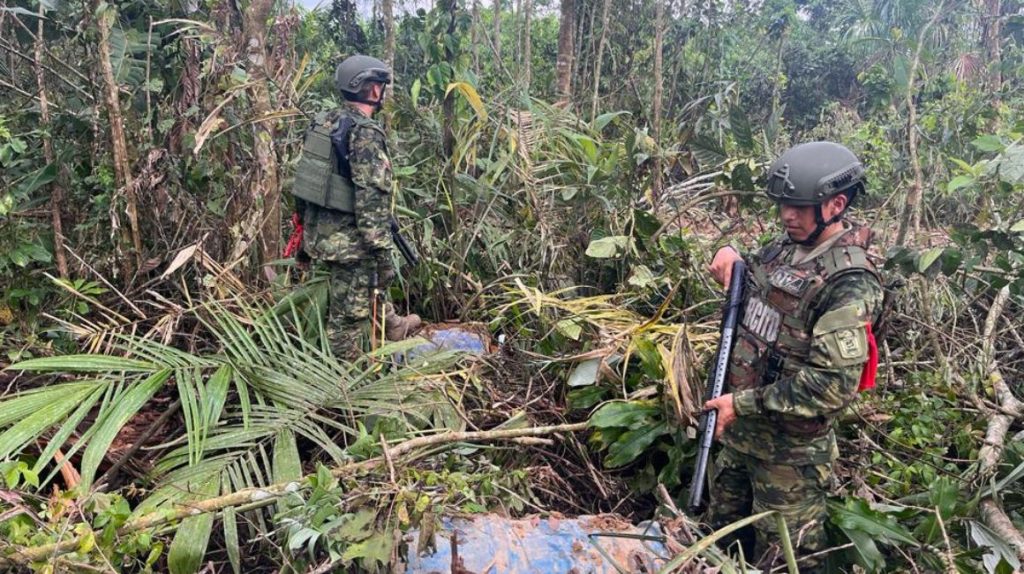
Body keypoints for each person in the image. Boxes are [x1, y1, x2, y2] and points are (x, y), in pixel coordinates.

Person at [703, 141, 885, 571]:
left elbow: (831, 386)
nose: (788, 215)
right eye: (784, 205)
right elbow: (751, 290)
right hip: (739, 440)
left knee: (784, 562)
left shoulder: (850, 281)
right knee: (718, 547)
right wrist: (728, 255)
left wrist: (742, 404)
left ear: (836, 205)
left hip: (789, 460)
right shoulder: (783, 249)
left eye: (800, 207)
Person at [291, 54, 421, 360]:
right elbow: (371, 200)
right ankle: (346, 377)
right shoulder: (365, 132)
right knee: (347, 319)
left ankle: (391, 325)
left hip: (319, 235)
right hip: (350, 244)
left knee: (360, 290)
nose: (382, 92)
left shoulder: (323, 122)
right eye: (381, 86)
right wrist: (382, 253)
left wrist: (303, 233)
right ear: (373, 89)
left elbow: (304, 181)